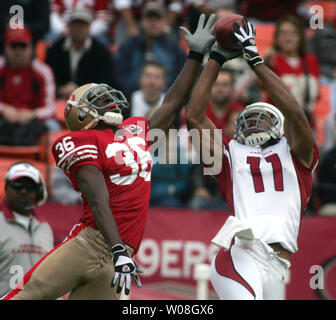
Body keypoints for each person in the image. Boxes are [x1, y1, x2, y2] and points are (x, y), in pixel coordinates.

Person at [2, 13, 217, 300]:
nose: (110, 101)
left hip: (121, 253)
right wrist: (117, 250)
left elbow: (173, 101)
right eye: (99, 101)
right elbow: (97, 198)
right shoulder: (79, 140)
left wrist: (195, 55)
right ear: (84, 116)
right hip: (92, 243)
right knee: (26, 296)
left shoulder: (135, 129)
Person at [185, 19, 319, 299]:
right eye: (249, 117)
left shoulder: (297, 154)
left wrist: (255, 59)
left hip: (278, 264)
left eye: (263, 116)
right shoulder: (230, 152)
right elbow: (195, 116)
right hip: (243, 254)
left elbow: (295, 111)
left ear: (280, 127)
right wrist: (216, 58)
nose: (255, 121)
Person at [0, 162, 53, 298]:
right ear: (6, 187)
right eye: (17, 186)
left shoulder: (44, 228)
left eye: (30, 187)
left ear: (38, 192)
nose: (23, 192)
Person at [114, 1, 187, 99]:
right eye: (149, 18)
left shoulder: (176, 51)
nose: (153, 22)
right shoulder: (129, 47)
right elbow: (120, 77)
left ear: (164, 21)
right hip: (130, 100)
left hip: (165, 101)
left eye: (157, 18)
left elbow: (181, 81)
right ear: (142, 21)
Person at [0, 26, 58, 145]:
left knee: (53, 127)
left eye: (23, 46)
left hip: (32, 122)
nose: (18, 51)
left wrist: (32, 114)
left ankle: (49, 163)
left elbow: (50, 108)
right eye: (14, 46)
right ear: (5, 48)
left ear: (31, 47)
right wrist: (3, 110)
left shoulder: (43, 72)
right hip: (3, 119)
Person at [45, 8, 116, 99]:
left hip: (90, 103)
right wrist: (60, 89)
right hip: (59, 99)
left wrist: (80, 91)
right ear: (69, 25)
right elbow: (48, 78)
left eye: (84, 24)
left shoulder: (101, 52)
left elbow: (105, 84)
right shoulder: (55, 50)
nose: (80, 28)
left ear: (89, 26)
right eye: (76, 24)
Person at [265, 15, 319, 130]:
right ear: (277, 38)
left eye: (292, 33)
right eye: (283, 33)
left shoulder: (310, 60)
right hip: (278, 125)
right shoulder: (273, 61)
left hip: (306, 124)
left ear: (300, 37)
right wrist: (263, 64)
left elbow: (317, 94)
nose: (288, 37)